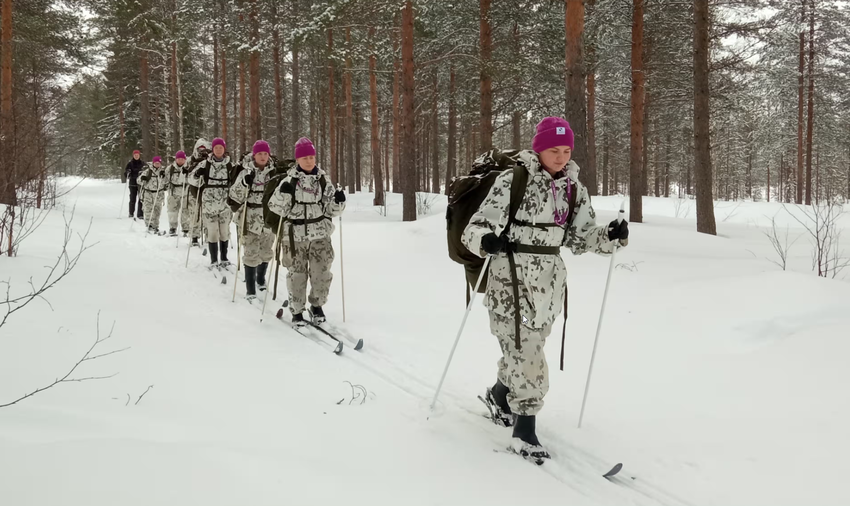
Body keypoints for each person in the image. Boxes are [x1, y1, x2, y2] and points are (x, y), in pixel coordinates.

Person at [463, 117, 630, 462]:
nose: (560, 157)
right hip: (509, 279)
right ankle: (524, 428)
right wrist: (487, 240)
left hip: (549, 286)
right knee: (527, 352)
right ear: (538, 149)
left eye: (566, 150)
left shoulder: (573, 188)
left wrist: (611, 236)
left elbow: (582, 238)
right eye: (554, 150)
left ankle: (499, 394)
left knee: (527, 346)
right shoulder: (513, 180)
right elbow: (474, 228)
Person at [267, 137, 346, 326]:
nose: (309, 161)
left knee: (322, 273)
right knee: (297, 274)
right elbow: (275, 207)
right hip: (295, 237)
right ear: (298, 160)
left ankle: (317, 306)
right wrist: (282, 194)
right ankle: (297, 311)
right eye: (305, 158)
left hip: (320, 236)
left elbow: (332, 211)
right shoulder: (289, 181)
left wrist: (339, 201)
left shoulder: (324, 181)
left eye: (312, 157)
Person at [229, 140, 285, 300]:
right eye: (259, 153)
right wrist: (244, 183)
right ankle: (250, 288)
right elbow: (233, 195)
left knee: (266, 251)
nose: (262, 156)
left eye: (265, 153)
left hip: (268, 216)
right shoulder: (245, 171)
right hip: (249, 216)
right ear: (254, 155)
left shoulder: (275, 172)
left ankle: (260, 278)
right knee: (251, 252)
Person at [188, 137, 237, 268]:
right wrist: (197, 175)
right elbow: (191, 179)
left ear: (224, 149)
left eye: (221, 147)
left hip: (224, 203)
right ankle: (214, 259)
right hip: (209, 203)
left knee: (224, 231)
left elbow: (236, 183)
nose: (219, 150)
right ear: (213, 149)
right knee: (213, 232)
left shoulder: (230, 165)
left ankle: (224, 257)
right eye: (216, 148)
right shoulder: (205, 164)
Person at [185, 139, 210, 247]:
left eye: (203, 149)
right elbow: (184, 175)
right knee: (194, 213)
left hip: (207, 190)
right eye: (200, 149)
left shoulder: (209, 159)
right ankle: (194, 236)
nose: (201, 151)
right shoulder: (190, 160)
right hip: (193, 190)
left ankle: (209, 236)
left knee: (207, 214)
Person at [138, 156, 168, 234]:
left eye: (159, 163)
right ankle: (149, 226)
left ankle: (155, 226)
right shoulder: (148, 171)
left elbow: (167, 183)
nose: (157, 164)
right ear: (153, 163)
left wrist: (164, 177)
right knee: (148, 210)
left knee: (157, 211)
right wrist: (143, 178)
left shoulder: (163, 172)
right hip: (148, 193)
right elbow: (138, 181)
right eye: (156, 163)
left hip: (159, 194)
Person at [165, 151, 189, 237]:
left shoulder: (188, 167)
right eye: (179, 159)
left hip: (185, 191)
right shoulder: (170, 169)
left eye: (182, 159)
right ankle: (172, 227)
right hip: (173, 192)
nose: (180, 161)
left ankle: (186, 228)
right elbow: (165, 180)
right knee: (172, 211)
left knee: (185, 211)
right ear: (176, 159)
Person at [124, 150, 145, 219]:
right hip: (132, 183)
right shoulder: (130, 164)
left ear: (139, 155)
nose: (136, 156)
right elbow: (125, 174)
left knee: (141, 199)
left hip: (141, 184)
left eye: (137, 155)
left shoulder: (143, 163)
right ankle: (131, 213)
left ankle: (140, 214)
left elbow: (147, 172)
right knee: (132, 199)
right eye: (135, 155)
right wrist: (128, 172)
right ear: (133, 155)